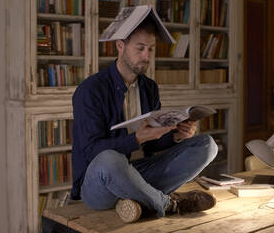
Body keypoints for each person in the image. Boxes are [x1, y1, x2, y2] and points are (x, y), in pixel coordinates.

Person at [71, 15, 218, 223]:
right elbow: (91, 152)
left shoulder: (149, 87)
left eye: (151, 49)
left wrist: (176, 135)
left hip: (140, 173)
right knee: (110, 159)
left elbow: (153, 144)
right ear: (120, 45)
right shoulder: (90, 90)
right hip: (98, 183)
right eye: (140, 48)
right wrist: (136, 139)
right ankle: (168, 204)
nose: (146, 56)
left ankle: (139, 200)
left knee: (207, 145)